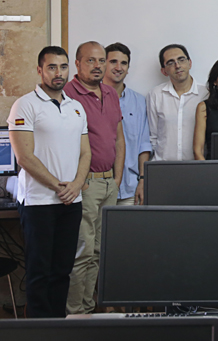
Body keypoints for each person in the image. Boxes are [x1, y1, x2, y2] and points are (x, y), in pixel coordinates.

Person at [7, 46, 91, 317]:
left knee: (62, 271)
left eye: (63, 67)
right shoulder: (25, 105)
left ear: (70, 69)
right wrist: (59, 186)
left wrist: (76, 185)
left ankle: (58, 327)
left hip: (71, 201)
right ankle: (38, 331)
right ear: (40, 70)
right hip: (39, 202)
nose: (58, 73)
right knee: (39, 272)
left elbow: (86, 151)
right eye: (52, 67)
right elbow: (24, 157)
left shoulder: (76, 107)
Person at [63, 41, 125, 315]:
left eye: (102, 61)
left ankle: (89, 310)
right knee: (83, 251)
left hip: (109, 183)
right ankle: (75, 313)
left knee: (99, 253)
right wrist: (80, 179)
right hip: (85, 185)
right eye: (91, 60)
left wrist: (117, 179)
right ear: (77, 64)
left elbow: (118, 139)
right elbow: (62, 143)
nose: (98, 66)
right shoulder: (66, 93)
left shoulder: (111, 93)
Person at [103, 42, 152, 204]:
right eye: (113, 62)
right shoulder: (89, 100)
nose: (119, 67)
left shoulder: (138, 101)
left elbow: (143, 145)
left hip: (131, 187)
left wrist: (143, 180)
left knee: (129, 229)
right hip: (98, 186)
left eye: (123, 63)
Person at [147, 44, 208, 161]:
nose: (177, 65)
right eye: (170, 62)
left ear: (189, 63)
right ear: (164, 71)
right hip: (164, 168)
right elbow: (153, 136)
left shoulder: (206, 94)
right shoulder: (155, 95)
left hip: (197, 167)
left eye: (181, 60)